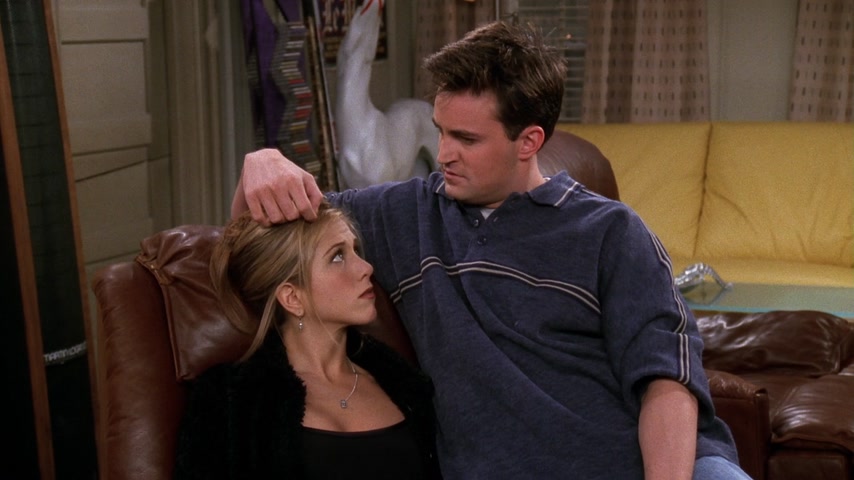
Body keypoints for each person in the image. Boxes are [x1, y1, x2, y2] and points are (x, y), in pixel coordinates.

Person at [231, 21, 749, 480]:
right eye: (441, 132)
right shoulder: (405, 213)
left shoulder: (612, 232)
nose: (443, 154)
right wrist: (261, 165)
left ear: (529, 142)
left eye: (467, 139)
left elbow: (667, 383)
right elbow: (261, 241)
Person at [174, 202, 440, 479]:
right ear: (292, 297)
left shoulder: (405, 385)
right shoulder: (232, 402)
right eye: (337, 256)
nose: (366, 267)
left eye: (356, 250)